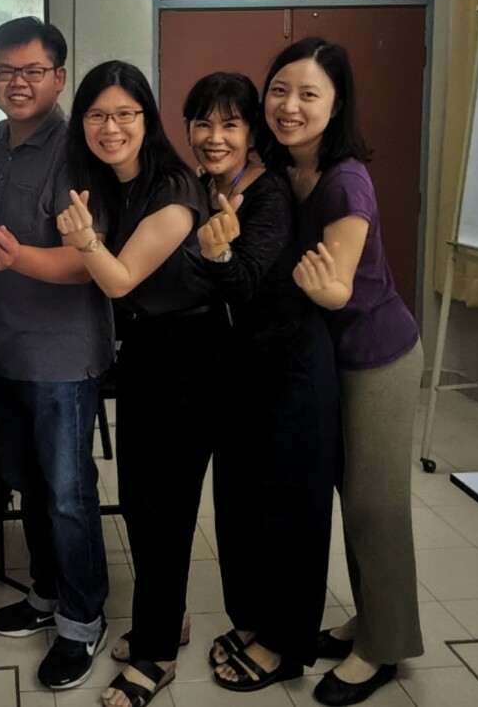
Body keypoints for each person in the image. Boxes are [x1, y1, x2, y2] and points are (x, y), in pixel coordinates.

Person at [53, 60, 227, 707]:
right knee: (139, 500)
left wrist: (84, 242)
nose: (111, 127)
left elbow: (120, 279)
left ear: (148, 119)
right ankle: (167, 618)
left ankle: (156, 656)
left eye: (125, 113)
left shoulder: (174, 188)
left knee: (165, 508)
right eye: (97, 114)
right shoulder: (112, 182)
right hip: (149, 352)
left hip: (190, 354)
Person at [261, 37, 424, 706]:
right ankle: (375, 617)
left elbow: (337, 287)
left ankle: (383, 647)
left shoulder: (345, 180)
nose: (289, 106)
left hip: (377, 355)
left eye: (309, 94)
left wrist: (322, 289)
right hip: (327, 359)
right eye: (279, 90)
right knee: (349, 495)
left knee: (375, 504)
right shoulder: (285, 165)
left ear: (336, 104)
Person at [182, 72, 339, 692]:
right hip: (242, 374)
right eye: (203, 123)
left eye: (230, 124)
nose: (214, 137)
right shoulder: (209, 184)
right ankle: (253, 622)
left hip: (290, 371)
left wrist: (219, 254)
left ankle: (284, 644)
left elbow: (244, 281)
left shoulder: (267, 192)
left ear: (251, 133)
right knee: (241, 507)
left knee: (287, 512)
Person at [0, 17, 114, 689]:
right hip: (1, 352)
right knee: (29, 485)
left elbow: (88, 264)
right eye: (5, 71)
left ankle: (83, 621)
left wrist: (18, 258)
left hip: (61, 356)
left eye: (32, 71)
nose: (17, 83)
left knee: (67, 495)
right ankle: (47, 594)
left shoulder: (78, 151)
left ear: (59, 77)